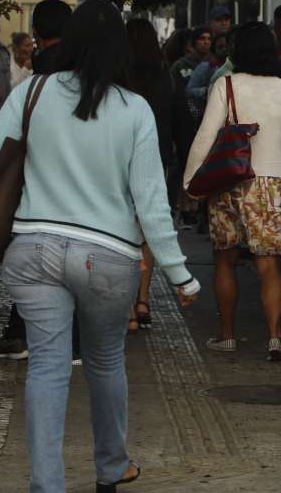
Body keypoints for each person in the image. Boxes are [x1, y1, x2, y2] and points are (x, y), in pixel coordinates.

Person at [0, 0, 201, 493]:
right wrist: (178, 273)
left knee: (47, 366)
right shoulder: (134, 109)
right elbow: (151, 201)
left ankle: (47, 484)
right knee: (104, 362)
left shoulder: (31, 92)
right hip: (106, 256)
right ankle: (110, 465)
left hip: (33, 249)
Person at [184, 23, 281, 362]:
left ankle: (227, 336)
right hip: (275, 183)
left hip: (231, 183)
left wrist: (191, 184)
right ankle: (275, 337)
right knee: (270, 265)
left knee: (226, 260)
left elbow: (205, 137)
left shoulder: (226, 85)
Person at [0, 0, 73, 362]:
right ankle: (75, 340)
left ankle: (23, 334)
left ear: (36, 35)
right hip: (91, 222)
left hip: (37, 207)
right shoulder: (110, 94)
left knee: (35, 277)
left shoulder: (32, 89)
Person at [125, 18, 176, 334]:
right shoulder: (165, 77)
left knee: (123, 228)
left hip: (121, 160)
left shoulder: (117, 78)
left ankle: (128, 306)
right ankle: (143, 299)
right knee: (147, 231)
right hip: (156, 160)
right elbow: (177, 118)